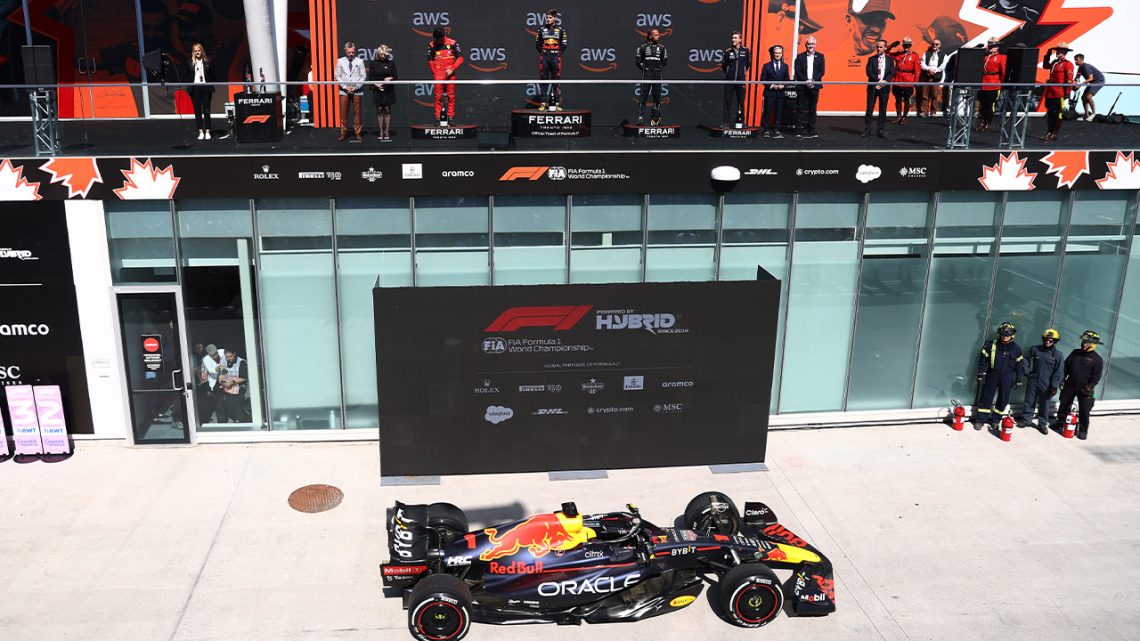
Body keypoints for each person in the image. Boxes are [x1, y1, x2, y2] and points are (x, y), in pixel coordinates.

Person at [973, 321, 1025, 428]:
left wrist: (1019, 378)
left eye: (1007, 335)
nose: (1005, 337)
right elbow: (983, 360)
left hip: (1008, 377)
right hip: (992, 374)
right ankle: (980, 420)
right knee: (986, 396)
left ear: (1012, 335)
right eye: (1003, 334)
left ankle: (996, 420)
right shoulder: (991, 345)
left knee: (1003, 399)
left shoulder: (1016, 349)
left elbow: (1019, 365)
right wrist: (980, 373)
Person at [1053, 330, 1104, 440]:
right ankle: (1060, 422)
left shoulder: (1097, 360)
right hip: (1070, 384)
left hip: (1085, 388)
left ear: (1093, 345)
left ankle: (1083, 430)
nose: (1083, 344)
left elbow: (1096, 377)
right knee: (1064, 404)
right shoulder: (1075, 353)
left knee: (1084, 410)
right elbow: (1065, 367)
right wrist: (1062, 380)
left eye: (1086, 342)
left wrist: (1089, 386)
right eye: (1083, 342)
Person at [1019, 329, 1064, 434]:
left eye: (1051, 340)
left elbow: (1059, 371)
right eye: (1046, 339)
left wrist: (1054, 386)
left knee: (1045, 404)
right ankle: (1026, 420)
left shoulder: (1058, 355)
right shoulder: (1035, 349)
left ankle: (1042, 424)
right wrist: (1027, 371)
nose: (1047, 342)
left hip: (1047, 383)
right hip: (1033, 379)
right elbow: (1025, 358)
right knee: (1029, 400)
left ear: (1055, 342)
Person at [428, 27, 464, 125]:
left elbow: (460, 58)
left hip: (450, 73)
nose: (439, 41)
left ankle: (451, 117)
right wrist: (435, 73)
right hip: (438, 73)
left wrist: (452, 69)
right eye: (437, 39)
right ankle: (438, 118)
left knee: (451, 96)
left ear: (444, 35)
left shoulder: (453, 43)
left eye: (440, 38)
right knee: (438, 96)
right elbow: (430, 60)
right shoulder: (431, 45)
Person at [1040, 41, 1074, 142]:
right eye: (1057, 50)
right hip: (1050, 91)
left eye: (1061, 51)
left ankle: (1054, 134)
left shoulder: (1068, 64)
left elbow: (1069, 81)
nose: (1058, 52)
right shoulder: (1055, 62)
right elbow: (1045, 66)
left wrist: (1067, 94)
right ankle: (1049, 133)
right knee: (1050, 113)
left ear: (1065, 52)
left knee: (1057, 114)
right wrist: (1047, 55)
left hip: (1059, 92)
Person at [535, 9, 568, 111]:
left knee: (556, 81)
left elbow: (564, 44)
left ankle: (556, 104)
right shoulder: (541, 29)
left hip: (555, 58)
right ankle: (543, 103)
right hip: (544, 57)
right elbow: (537, 44)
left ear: (555, 18)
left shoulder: (561, 30)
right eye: (547, 18)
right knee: (544, 80)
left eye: (550, 17)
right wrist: (543, 53)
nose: (548, 19)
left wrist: (558, 54)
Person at [635, 28, 668, 125]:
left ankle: (655, 119)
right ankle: (640, 118)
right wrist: (645, 69)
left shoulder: (662, 48)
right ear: (650, 36)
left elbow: (664, 61)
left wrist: (658, 67)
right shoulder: (642, 47)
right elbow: (638, 61)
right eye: (656, 35)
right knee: (643, 96)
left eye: (658, 34)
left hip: (657, 74)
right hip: (647, 74)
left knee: (657, 97)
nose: (658, 36)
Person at [794, 35, 824, 138]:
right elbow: (797, 71)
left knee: (812, 108)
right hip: (802, 86)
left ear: (815, 45)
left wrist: (812, 81)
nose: (810, 46)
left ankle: (812, 130)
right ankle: (798, 131)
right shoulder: (800, 57)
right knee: (800, 108)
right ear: (805, 45)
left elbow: (821, 71)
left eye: (812, 44)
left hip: (814, 86)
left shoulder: (821, 56)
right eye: (809, 44)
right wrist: (806, 81)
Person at [335, 41, 365, 142]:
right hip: (344, 91)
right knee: (344, 113)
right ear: (345, 51)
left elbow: (363, 76)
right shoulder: (340, 61)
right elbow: (337, 76)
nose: (351, 54)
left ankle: (358, 133)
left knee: (357, 113)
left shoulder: (360, 61)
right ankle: (343, 133)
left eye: (352, 52)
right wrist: (345, 87)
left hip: (357, 90)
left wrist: (356, 86)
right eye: (349, 52)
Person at [863, 38, 893, 138]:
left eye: (880, 47)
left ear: (885, 48)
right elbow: (869, 72)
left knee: (882, 109)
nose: (878, 49)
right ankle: (867, 130)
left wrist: (884, 82)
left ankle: (881, 130)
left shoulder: (890, 60)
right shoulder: (872, 59)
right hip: (873, 87)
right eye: (877, 47)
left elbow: (891, 72)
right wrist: (878, 81)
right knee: (869, 108)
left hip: (884, 87)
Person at [721, 31, 751, 127]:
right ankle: (726, 123)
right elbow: (724, 65)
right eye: (732, 37)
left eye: (735, 38)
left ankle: (740, 122)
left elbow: (748, 64)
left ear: (740, 40)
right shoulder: (728, 51)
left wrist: (742, 73)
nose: (733, 39)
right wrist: (729, 73)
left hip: (741, 80)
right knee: (727, 102)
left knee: (741, 102)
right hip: (729, 80)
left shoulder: (746, 51)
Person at [368, 44, 398, 141]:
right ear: (378, 54)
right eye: (381, 54)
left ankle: (387, 131)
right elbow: (370, 77)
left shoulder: (391, 63)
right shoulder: (373, 63)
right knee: (380, 109)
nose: (383, 56)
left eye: (384, 54)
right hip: (378, 89)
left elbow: (395, 76)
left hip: (388, 90)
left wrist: (390, 78)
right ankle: (381, 131)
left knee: (387, 109)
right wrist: (376, 84)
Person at [186, 42, 214, 140]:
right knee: (197, 111)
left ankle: (208, 131)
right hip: (195, 88)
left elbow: (213, 75)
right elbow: (187, 76)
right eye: (195, 51)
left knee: (206, 110)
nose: (197, 52)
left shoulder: (208, 61)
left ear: (202, 51)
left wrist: (210, 85)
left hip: (205, 87)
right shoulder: (190, 63)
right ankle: (201, 131)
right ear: (193, 52)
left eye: (199, 50)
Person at [888, 36, 920, 124]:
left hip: (908, 80)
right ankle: (898, 116)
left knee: (907, 100)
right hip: (897, 79)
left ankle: (904, 117)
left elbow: (917, 70)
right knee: (897, 99)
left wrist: (915, 82)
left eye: (908, 45)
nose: (906, 46)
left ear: (910, 45)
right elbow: (886, 54)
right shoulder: (898, 54)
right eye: (905, 45)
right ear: (902, 46)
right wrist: (890, 46)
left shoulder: (914, 56)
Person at [760, 45, 789, 138]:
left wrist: (783, 85)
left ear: (782, 54)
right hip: (769, 93)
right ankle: (766, 130)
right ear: (773, 54)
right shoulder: (766, 66)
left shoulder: (785, 66)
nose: (777, 55)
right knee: (767, 112)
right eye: (776, 53)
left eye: (779, 53)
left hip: (780, 93)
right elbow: (763, 79)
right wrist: (773, 86)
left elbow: (787, 80)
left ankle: (776, 129)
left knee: (779, 112)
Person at [977, 38, 1006, 132]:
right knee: (982, 104)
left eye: (994, 46)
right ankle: (982, 123)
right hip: (983, 82)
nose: (991, 47)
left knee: (990, 105)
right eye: (990, 45)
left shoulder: (1001, 57)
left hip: (994, 83)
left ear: (997, 47)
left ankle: (987, 123)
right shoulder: (984, 56)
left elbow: (1003, 71)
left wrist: (1001, 83)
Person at [218, 350, 250, 424]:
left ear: (234, 354)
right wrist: (221, 379)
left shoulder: (241, 363)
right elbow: (223, 372)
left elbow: (244, 377)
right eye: (227, 357)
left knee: (238, 407)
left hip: (238, 388)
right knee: (227, 406)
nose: (228, 359)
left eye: (230, 356)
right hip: (227, 389)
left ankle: (242, 422)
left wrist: (232, 382)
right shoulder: (223, 360)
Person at [918, 38, 947, 117]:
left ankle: (933, 111)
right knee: (924, 95)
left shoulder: (944, 55)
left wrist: (935, 71)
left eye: (936, 44)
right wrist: (928, 69)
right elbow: (922, 64)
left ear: (939, 45)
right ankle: (924, 111)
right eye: (933, 44)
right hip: (926, 76)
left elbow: (943, 66)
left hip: (936, 77)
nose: (934, 46)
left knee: (934, 95)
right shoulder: (926, 53)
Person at [1073, 54, 1105, 121]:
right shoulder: (1080, 68)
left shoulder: (1086, 66)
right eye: (1075, 60)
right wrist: (1073, 84)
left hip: (1099, 81)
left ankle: (1093, 114)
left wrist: (1080, 85)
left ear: (1082, 60)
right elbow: (1076, 79)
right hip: (1092, 82)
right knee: (1083, 98)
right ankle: (1086, 115)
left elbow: (1090, 78)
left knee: (1088, 97)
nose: (1075, 61)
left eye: (1076, 60)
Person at [200, 344, 225, 423]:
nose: (215, 356)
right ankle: (221, 421)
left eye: (216, 354)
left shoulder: (222, 352)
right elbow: (211, 371)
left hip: (226, 378)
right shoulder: (206, 359)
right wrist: (219, 367)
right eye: (213, 356)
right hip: (215, 382)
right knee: (218, 403)